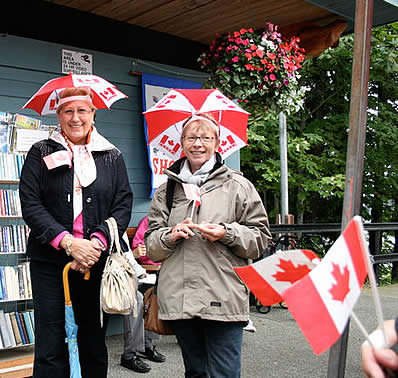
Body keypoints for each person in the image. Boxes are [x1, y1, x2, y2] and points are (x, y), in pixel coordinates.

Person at [145, 113, 271, 378]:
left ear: (217, 143)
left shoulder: (239, 186)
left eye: (205, 137)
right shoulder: (166, 190)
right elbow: (152, 247)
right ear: (181, 142)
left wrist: (227, 233)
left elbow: (259, 239)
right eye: (191, 137)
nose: (198, 143)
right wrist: (171, 235)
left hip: (223, 296)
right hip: (180, 298)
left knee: (224, 374)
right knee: (195, 372)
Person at [19, 86, 133, 378]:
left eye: (82, 110)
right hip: (51, 261)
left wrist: (96, 243)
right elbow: (31, 204)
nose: (75, 117)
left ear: (93, 114)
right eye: (68, 111)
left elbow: (122, 204)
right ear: (58, 115)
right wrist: (69, 243)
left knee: (92, 337)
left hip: (96, 260)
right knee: (52, 337)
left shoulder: (112, 155)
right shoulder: (41, 152)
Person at [121, 232, 166, 373]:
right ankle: (129, 354)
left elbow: (129, 257)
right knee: (137, 299)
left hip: (129, 275)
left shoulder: (119, 230)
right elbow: (127, 256)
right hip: (110, 279)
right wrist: (134, 256)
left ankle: (147, 344)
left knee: (152, 293)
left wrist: (141, 272)